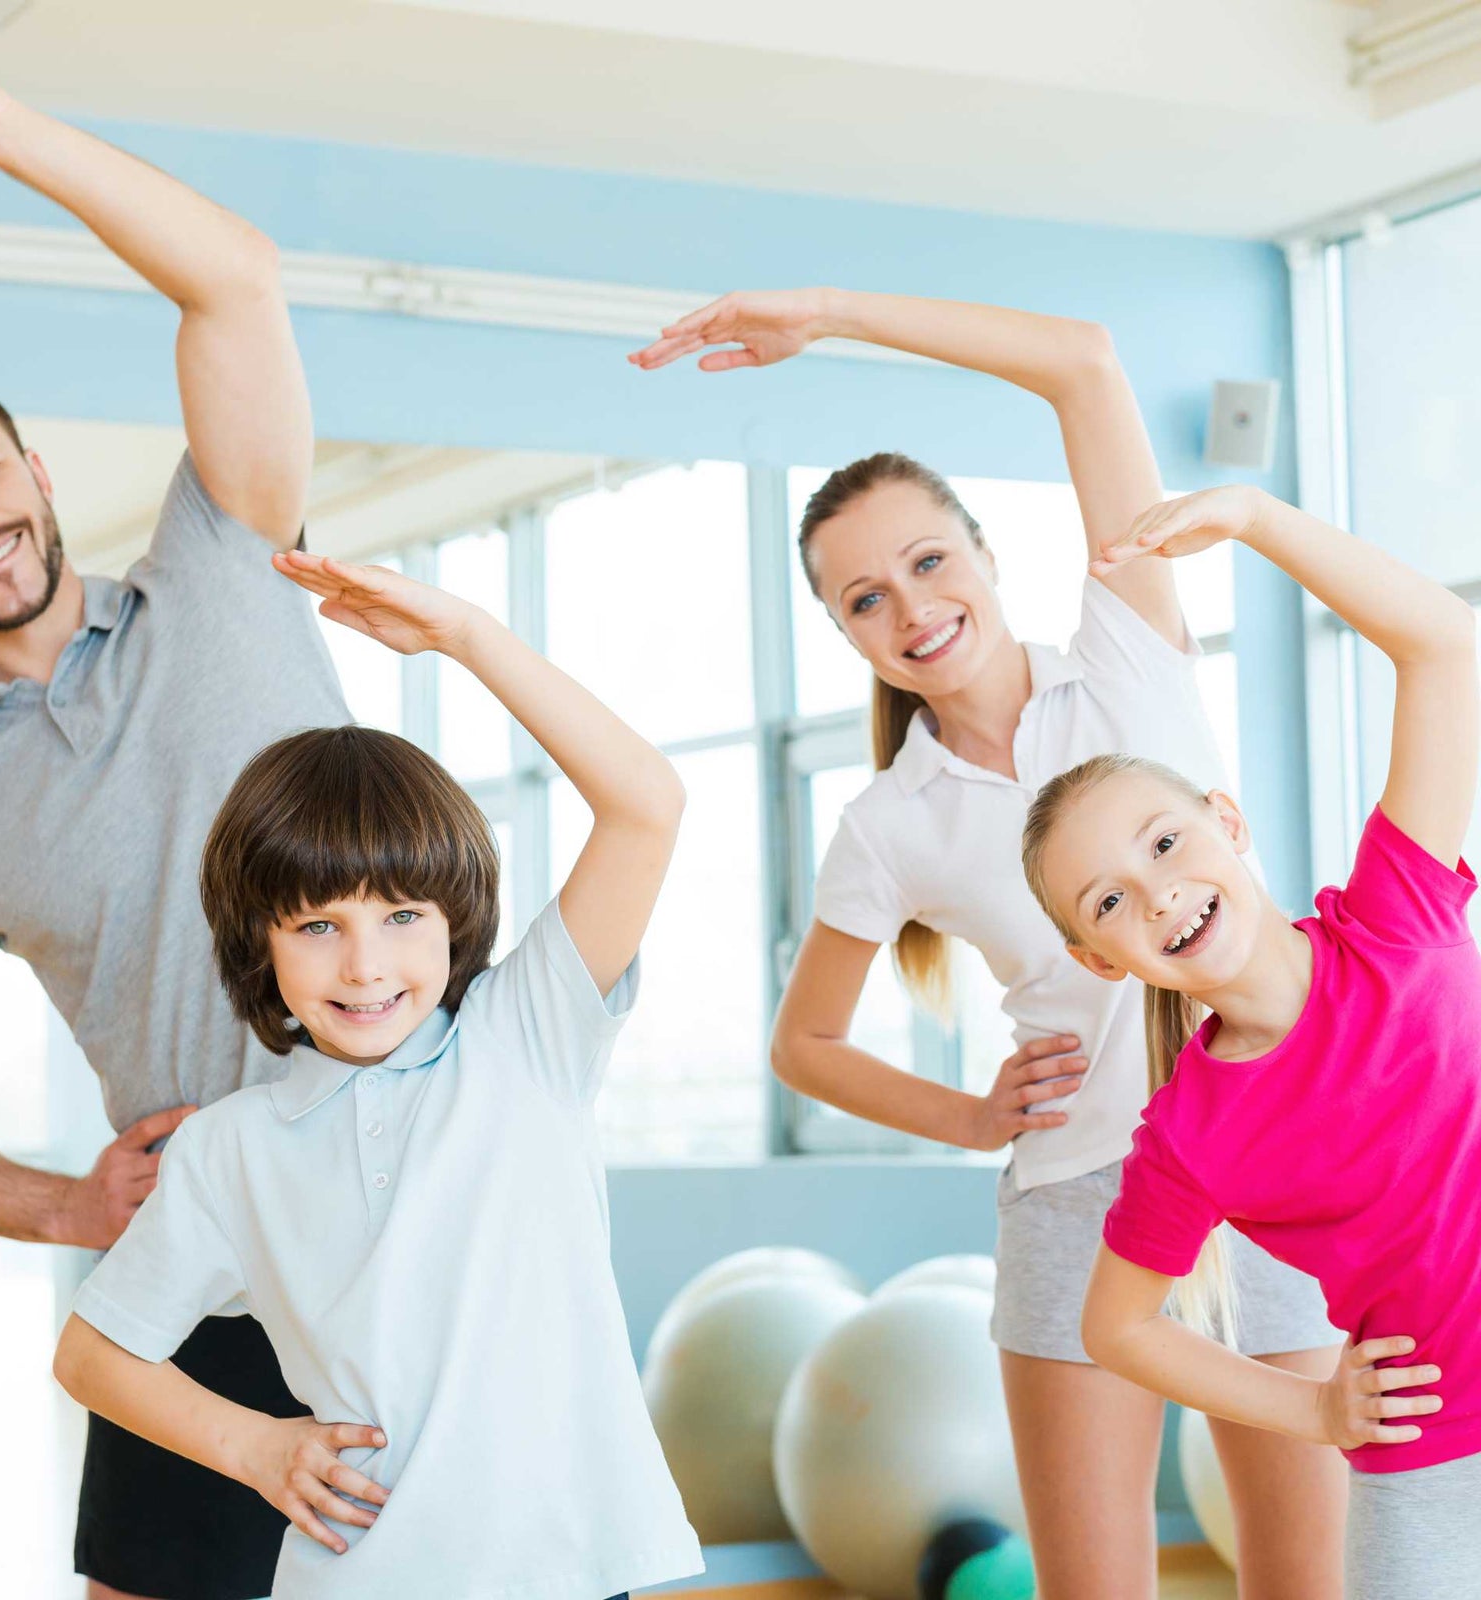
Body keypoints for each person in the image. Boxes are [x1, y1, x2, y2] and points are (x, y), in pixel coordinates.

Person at [632, 289, 1347, 1599]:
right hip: (1082, 1201)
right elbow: (807, 1043)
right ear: (844, 632)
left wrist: (828, 317)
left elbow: (1084, 357)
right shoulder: (889, 822)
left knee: (1308, 1584)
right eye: (864, 598)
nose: (909, 607)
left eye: (927, 560)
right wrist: (971, 1120)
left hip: (1274, 1173)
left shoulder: (1131, 647)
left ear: (985, 553)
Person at [0, 39, 348, 1600]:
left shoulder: (225, 563)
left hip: (417, 1197)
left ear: (31, 461)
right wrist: (68, 1206)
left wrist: (2, 127)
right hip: (200, 1257)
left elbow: (237, 284)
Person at [51, 550, 704, 1600]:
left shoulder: (526, 1037)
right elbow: (92, 1354)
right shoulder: (231, 1146)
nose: (365, 964)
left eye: (402, 915)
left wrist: (466, 636)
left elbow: (647, 803)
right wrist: (255, 1446)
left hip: (568, 1571)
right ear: (260, 943)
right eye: (318, 924)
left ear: (455, 924)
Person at [1021, 485, 1478, 1600]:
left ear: (1228, 823)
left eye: (1167, 841)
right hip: (1432, 1463)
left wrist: (1258, 521)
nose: (1160, 891)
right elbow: (1118, 1326)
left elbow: (1445, 647)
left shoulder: (1394, 915)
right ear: (1103, 961)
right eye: (1110, 902)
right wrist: (1314, 1409)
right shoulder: (1188, 1131)